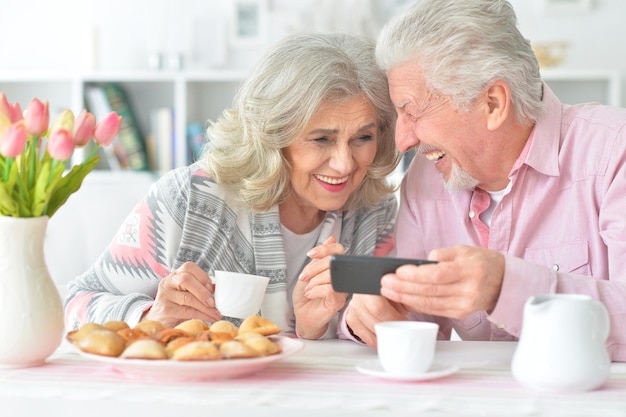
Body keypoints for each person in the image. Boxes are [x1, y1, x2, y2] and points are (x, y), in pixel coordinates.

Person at [339, 0, 626, 361]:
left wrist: (505, 287)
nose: (402, 140)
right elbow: (416, 314)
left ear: (493, 103)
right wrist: (371, 315)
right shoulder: (426, 179)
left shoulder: (615, 151)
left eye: (412, 112)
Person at [64, 32, 400, 339]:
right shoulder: (191, 200)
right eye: (321, 139)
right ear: (273, 136)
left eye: (363, 137)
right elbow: (75, 305)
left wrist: (314, 329)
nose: (344, 163)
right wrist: (151, 314)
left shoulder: (374, 214)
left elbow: (378, 333)